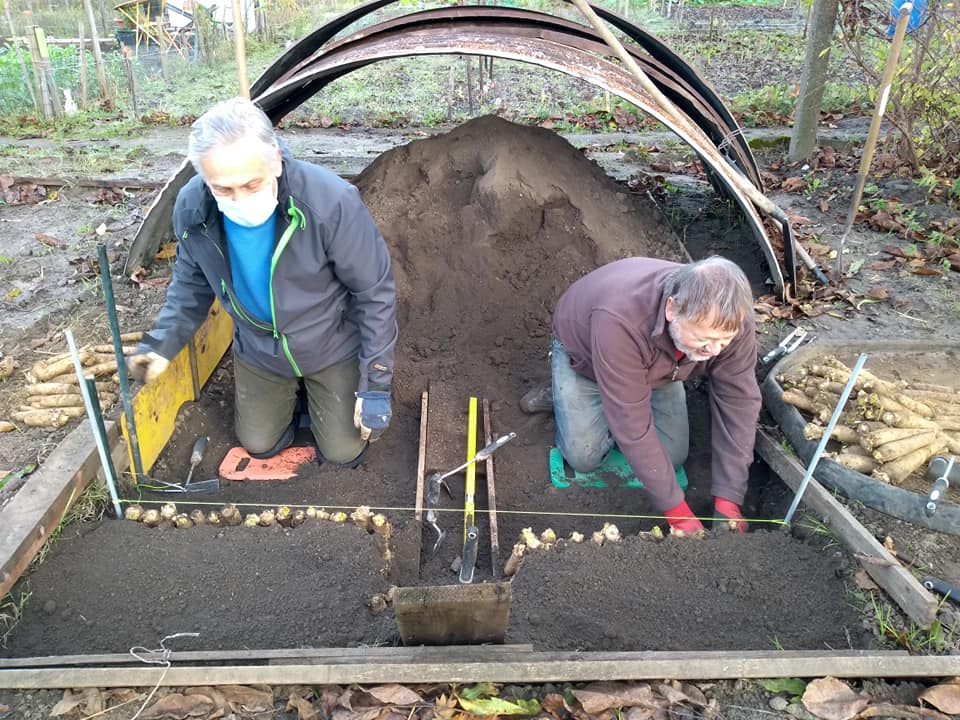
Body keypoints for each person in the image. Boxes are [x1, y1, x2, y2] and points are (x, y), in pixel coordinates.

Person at [128, 97, 398, 467]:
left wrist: (375, 387)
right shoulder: (193, 209)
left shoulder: (330, 203)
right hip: (260, 349)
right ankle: (290, 400)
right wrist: (161, 343)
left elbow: (374, 293)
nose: (239, 200)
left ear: (275, 159)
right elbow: (191, 285)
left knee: (343, 451)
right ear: (204, 179)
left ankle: (325, 391)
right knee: (258, 443)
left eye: (252, 184)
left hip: (329, 342)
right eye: (223, 189)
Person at [520, 256, 761, 535]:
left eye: (724, 341)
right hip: (587, 355)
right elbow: (632, 425)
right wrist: (677, 513)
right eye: (704, 339)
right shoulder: (620, 318)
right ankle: (562, 394)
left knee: (671, 458)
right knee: (583, 457)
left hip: (660, 365)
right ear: (672, 309)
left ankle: (615, 393)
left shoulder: (730, 320)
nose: (715, 350)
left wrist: (730, 497)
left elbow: (739, 402)